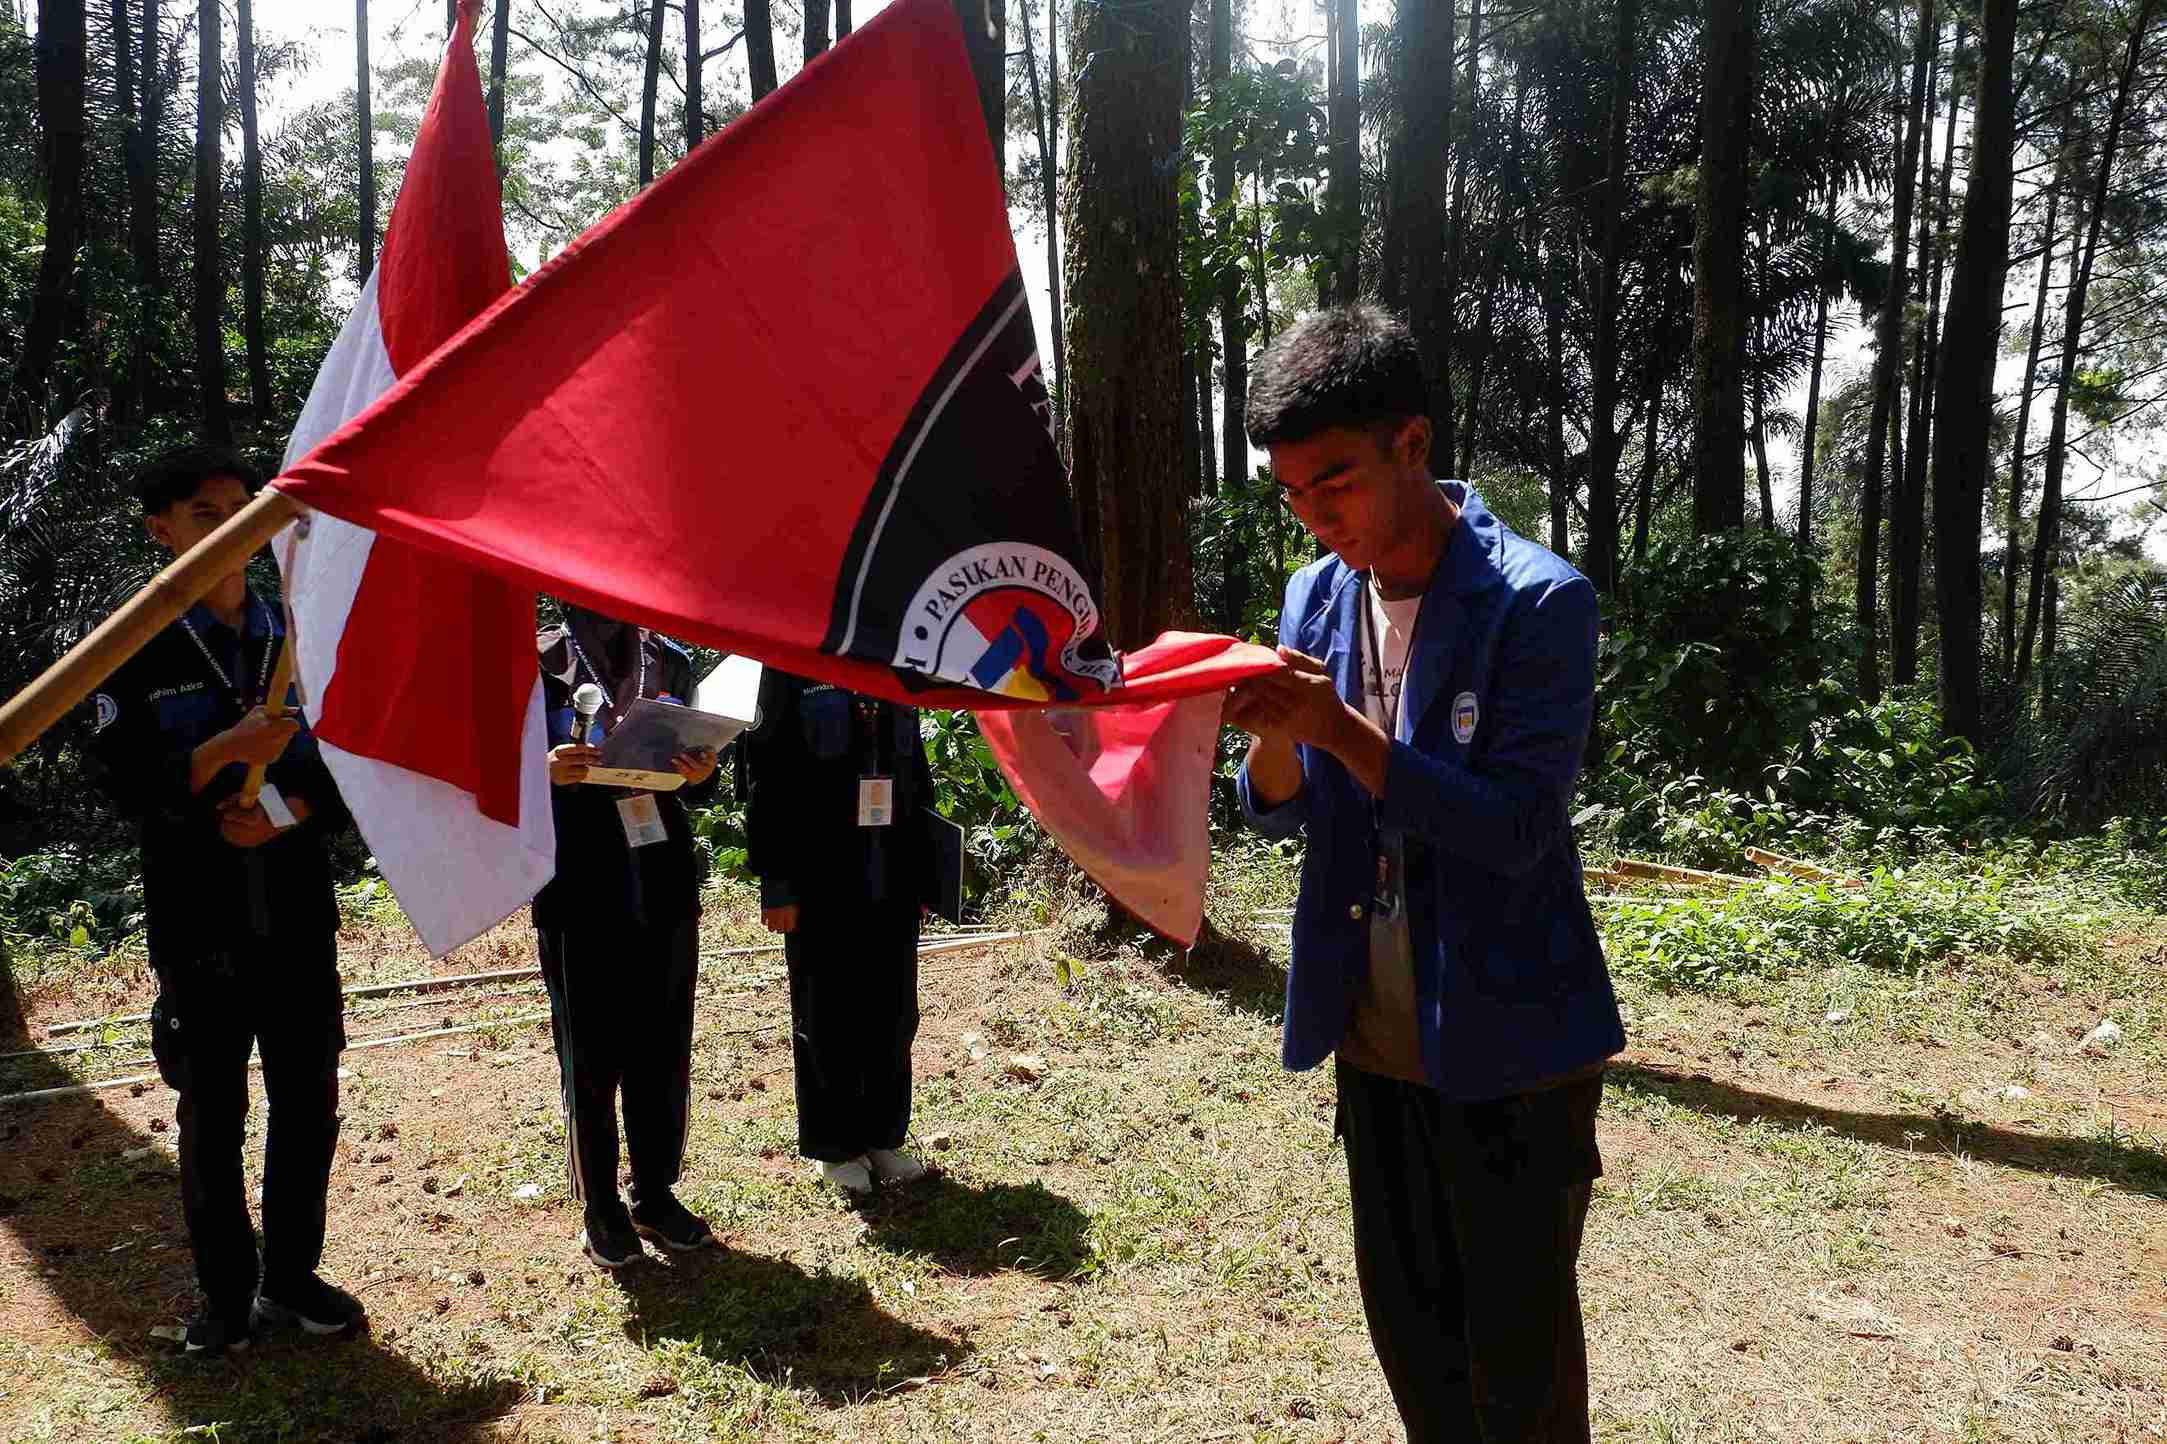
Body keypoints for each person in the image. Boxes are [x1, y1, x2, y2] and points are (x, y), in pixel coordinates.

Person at [1226, 305, 1625, 1443]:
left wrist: (1338, 729)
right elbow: (1281, 806)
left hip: (1511, 1039)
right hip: (1374, 1033)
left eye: (1335, 483)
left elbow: (1515, 828)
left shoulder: (1536, 601)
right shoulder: (1315, 596)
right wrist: (1271, 735)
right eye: (1292, 494)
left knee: (1518, 1367)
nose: (1316, 516)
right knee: (1414, 1343)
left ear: (1412, 442)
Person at [85, 446, 364, 1354]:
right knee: (213, 1111)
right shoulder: (131, 642)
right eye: (206, 513)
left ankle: (291, 1278)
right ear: (160, 529)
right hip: (198, 913)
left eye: (244, 510)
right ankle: (225, 1294)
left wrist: (282, 810)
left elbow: (346, 759)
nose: (231, 528)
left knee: (307, 1098)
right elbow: (120, 782)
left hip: (293, 904)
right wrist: (217, 755)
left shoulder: (296, 632)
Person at [534, 606, 720, 1268]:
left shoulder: (669, 659)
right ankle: (601, 1206)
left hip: (661, 876)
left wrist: (701, 772)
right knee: (591, 1054)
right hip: (579, 880)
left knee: (662, 1044)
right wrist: (542, 770)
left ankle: (654, 1193)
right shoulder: (534, 662)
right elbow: (494, 769)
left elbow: (698, 785)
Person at [744, 671, 936, 1196]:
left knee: (894, 1010)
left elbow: (916, 772)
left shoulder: (897, 663)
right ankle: (835, 1146)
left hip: (890, 872)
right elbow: (766, 773)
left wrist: (927, 873)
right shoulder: (788, 667)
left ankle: (883, 1135)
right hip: (820, 877)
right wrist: (777, 883)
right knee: (827, 1013)